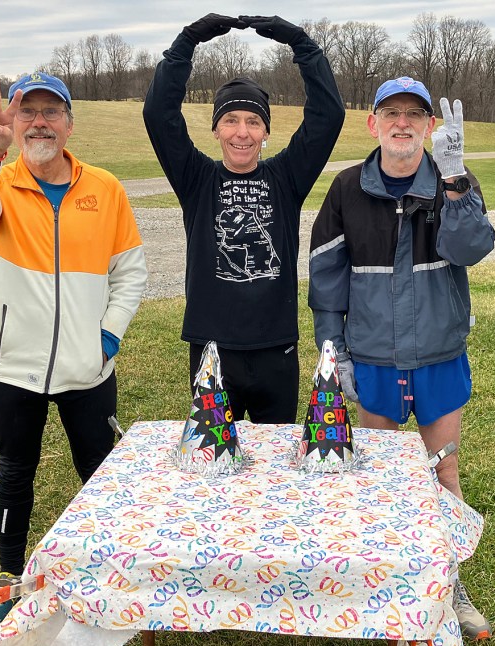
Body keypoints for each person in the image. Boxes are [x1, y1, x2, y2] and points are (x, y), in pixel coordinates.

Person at [0, 72, 148, 632]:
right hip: (13, 367)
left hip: (88, 369)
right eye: (27, 111)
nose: (39, 122)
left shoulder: (105, 188)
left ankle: (111, 574)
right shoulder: (2, 181)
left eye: (51, 111)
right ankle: (8, 579)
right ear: (14, 121)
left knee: (100, 472)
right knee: (16, 471)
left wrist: (106, 338)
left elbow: (130, 273)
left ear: (69, 122)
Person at [308, 76, 495, 641]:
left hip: (438, 356)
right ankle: (387, 585)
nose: (403, 123)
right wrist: (331, 347)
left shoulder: (452, 181)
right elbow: (326, 277)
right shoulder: (344, 189)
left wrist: (457, 183)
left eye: (416, 113)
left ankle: (449, 588)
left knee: (443, 474)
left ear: (431, 126)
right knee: (382, 483)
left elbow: (472, 249)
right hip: (374, 361)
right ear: (373, 124)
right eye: (391, 112)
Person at [143, 14, 344, 423]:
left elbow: (328, 114)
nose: (242, 131)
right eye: (231, 120)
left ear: (266, 132)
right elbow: (158, 113)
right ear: (216, 129)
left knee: (276, 466)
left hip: (276, 349)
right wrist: (186, 41)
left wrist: (300, 42)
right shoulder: (196, 178)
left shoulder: (286, 177)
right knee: (215, 461)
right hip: (212, 350)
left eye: (254, 121)